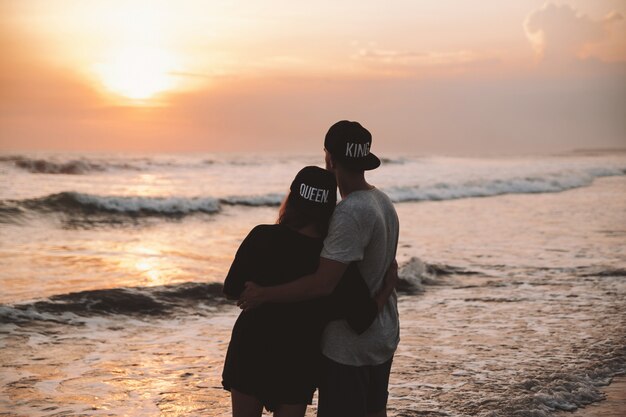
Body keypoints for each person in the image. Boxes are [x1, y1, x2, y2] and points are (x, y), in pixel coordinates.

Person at [240, 120, 400, 417]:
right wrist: (389, 287)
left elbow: (322, 284)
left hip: (349, 348)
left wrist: (263, 294)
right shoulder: (382, 201)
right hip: (382, 336)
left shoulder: (349, 212)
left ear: (330, 159)